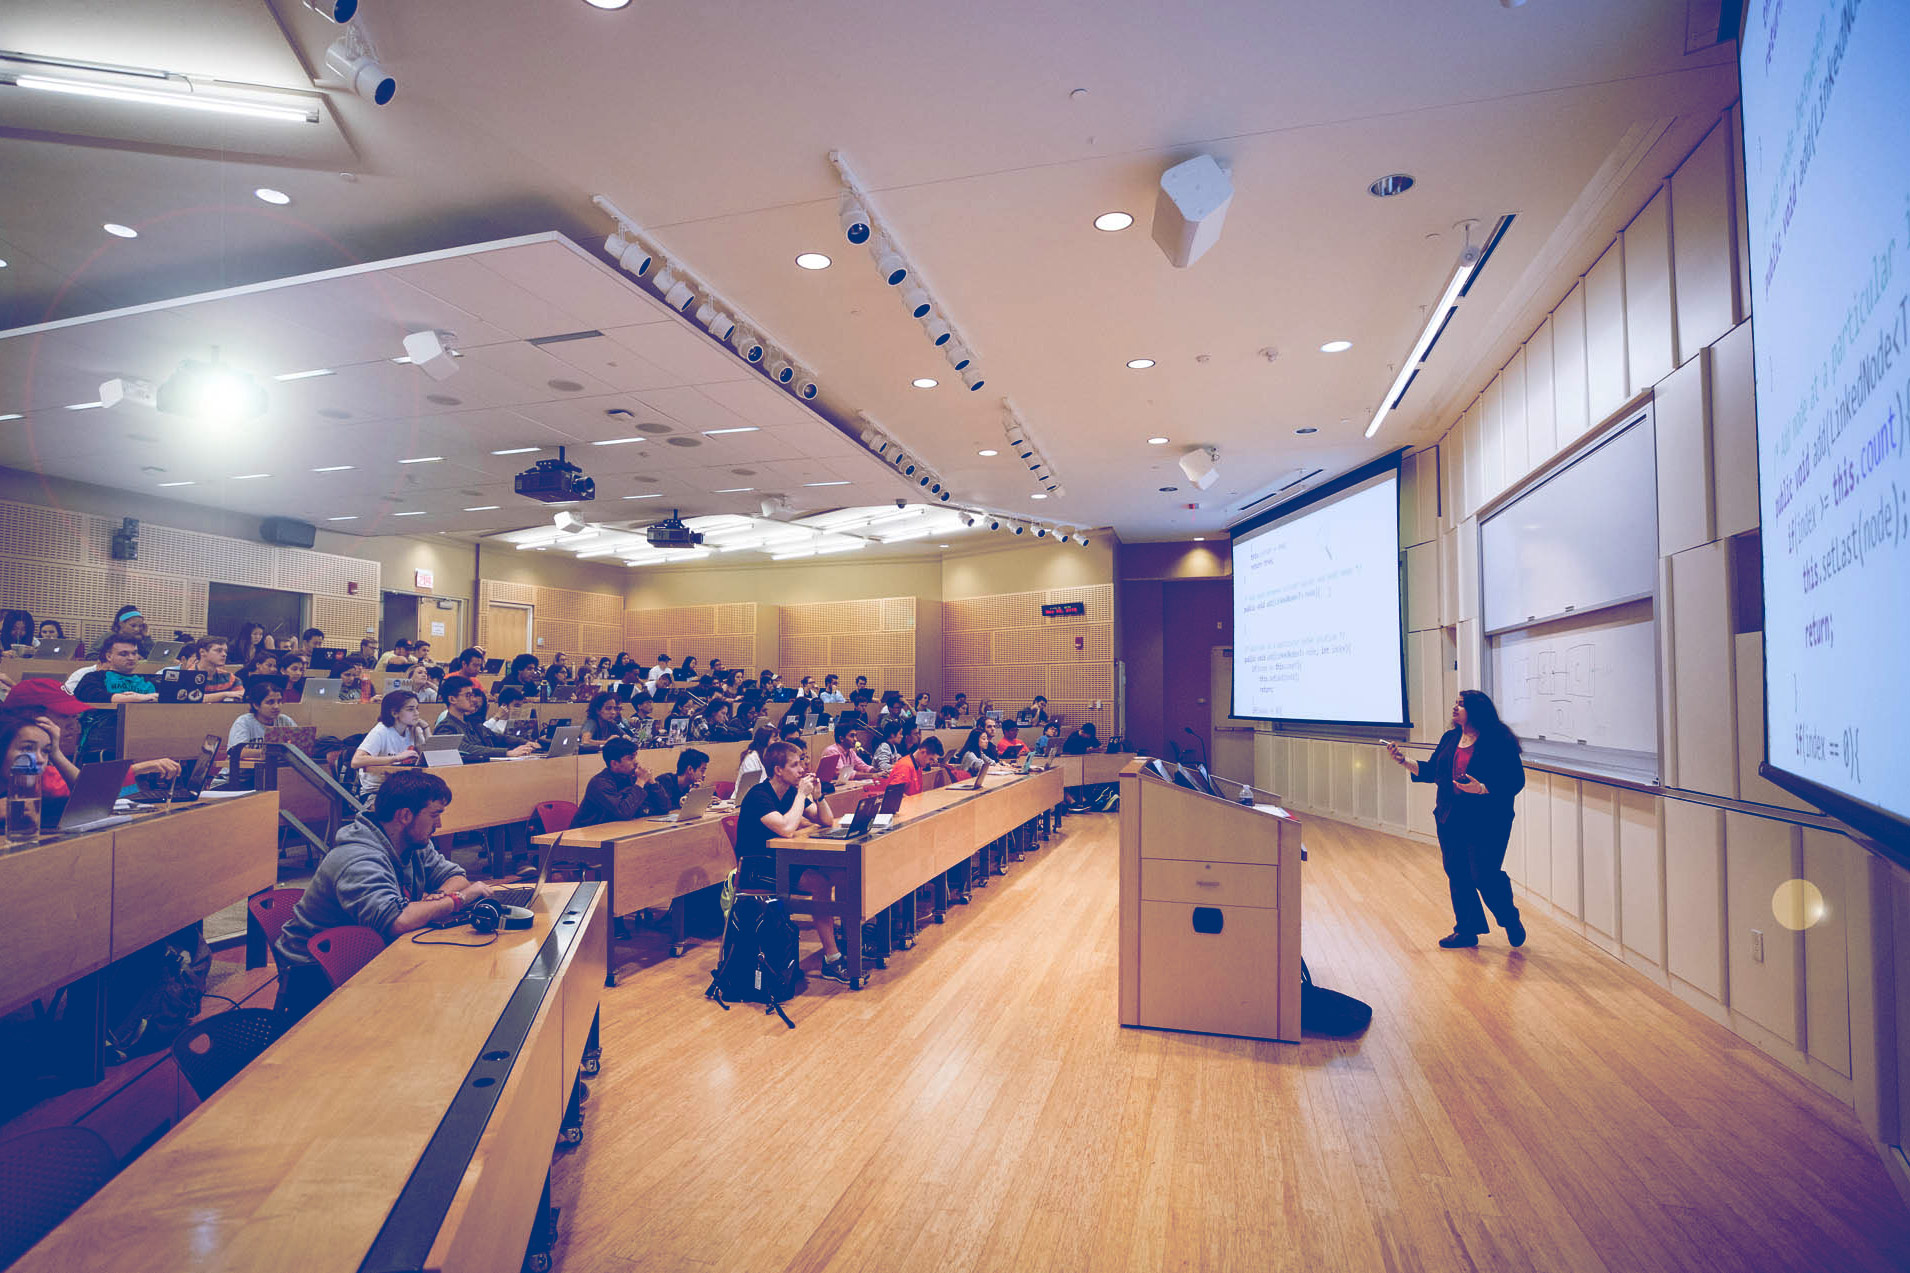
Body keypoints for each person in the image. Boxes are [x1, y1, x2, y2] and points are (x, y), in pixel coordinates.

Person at [272, 770, 492, 1019]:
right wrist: (457, 900)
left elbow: (457, 877)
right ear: (405, 816)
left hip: (365, 950)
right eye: (434, 815)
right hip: (315, 974)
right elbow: (397, 921)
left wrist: (441, 896)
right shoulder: (358, 859)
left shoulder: (414, 842)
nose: (439, 825)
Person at [1386, 690, 1528, 949]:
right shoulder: (1450, 738)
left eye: (1461, 704)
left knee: (1483, 875)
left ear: (1476, 710)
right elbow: (1432, 772)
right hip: (1450, 817)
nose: (1455, 707)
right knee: (1457, 873)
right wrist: (1404, 761)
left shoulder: (1498, 740)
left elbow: (1515, 781)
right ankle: (1466, 930)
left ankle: (1509, 918)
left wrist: (1483, 788)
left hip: (1488, 821)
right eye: (1456, 703)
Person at [734, 740, 849, 982]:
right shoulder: (759, 796)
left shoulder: (788, 794)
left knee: (840, 873)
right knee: (820, 883)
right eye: (795, 765)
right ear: (778, 770)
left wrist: (819, 797)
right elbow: (786, 828)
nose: (802, 770)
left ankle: (849, 942)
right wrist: (801, 794)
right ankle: (832, 957)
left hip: (784, 862)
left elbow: (826, 821)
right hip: (756, 870)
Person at [0, 684, 179, 808]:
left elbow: (92, 792)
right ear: (30, 716)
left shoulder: (44, 764)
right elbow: (92, 792)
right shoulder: (28, 768)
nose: (74, 726)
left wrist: (54, 753)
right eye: (65, 716)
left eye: (75, 718)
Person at [71, 634, 157, 757]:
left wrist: (138, 696)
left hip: (145, 735)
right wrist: (139, 698)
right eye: (124, 654)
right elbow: (96, 696)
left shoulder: (148, 680)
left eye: (134, 653)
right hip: (105, 739)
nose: (131, 658)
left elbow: (166, 698)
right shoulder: (95, 677)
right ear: (109, 656)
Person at [432, 674, 537, 761]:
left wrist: (526, 742)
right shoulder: (445, 728)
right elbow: (466, 749)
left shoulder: (472, 724)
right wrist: (507, 753)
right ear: (452, 699)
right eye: (468, 695)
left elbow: (497, 737)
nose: (473, 700)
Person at [575, 737, 666, 826]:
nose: (636, 762)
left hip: (618, 831)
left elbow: (664, 807)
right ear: (614, 764)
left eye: (635, 757)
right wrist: (640, 782)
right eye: (631, 758)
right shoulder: (599, 783)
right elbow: (623, 813)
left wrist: (652, 782)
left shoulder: (632, 777)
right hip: (589, 835)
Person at [352, 689, 426, 796]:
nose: (417, 713)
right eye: (410, 709)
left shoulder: (412, 730)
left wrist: (426, 729)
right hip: (376, 792)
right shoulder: (381, 731)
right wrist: (396, 758)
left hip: (402, 788)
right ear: (395, 713)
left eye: (417, 709)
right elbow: (356, 761)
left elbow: (428, 759)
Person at [225, 676, 295, 779]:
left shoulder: (285, 721)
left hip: (268, 777)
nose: (276, 706)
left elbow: (298, 747)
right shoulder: (244, 722)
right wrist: (275, 752)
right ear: (256, 705)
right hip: (235, 779)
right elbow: (239, 752)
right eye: (270, 702)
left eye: (279, 701)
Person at [883, 735, 948, 796]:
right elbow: (894, 794)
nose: (931, 763)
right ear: (923, 752)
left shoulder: (918, 766)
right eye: (931, 759)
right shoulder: (905, 766)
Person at [197, 637, 245, 702]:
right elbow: (191, 699)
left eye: (225, 651)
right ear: (202, 652)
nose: (224, 654)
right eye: (218, 650)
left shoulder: (230, 678)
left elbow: (241, 696)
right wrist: (225, 695)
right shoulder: (187, 676)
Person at [734, 724, 777, 789]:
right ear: (764, 741)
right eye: (775, 740)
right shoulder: (750, 758)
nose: (778, 743)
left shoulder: (770, 757)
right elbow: (751, 786)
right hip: (748, 796)